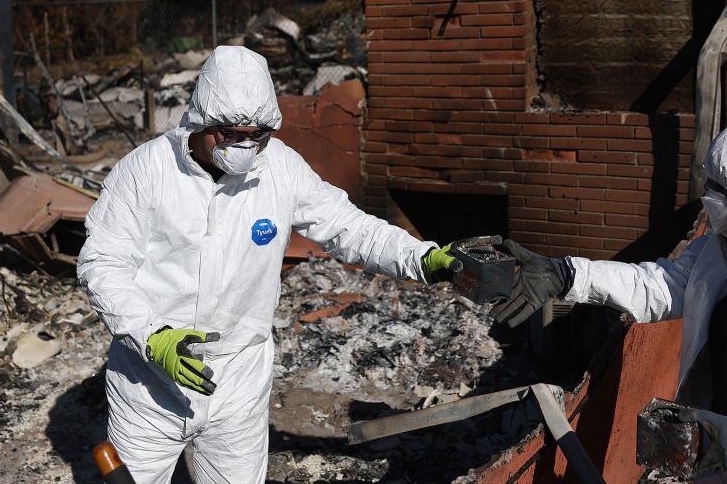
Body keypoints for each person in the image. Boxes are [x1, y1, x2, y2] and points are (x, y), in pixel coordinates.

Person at [76, 45, 457, 484]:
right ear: (202, 120)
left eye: (256, 135)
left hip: (239, 375)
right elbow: (103, 264)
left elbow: (349, 227)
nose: (244, 146)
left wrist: (423, 258)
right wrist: (152, 337)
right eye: (231, 134)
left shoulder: (279, 169)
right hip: (150, 378)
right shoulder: (146, 172)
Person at [493, 108, 727, 481]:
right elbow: (658, 286)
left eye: (722, 203)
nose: (714, 214)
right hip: (723, 463)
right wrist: (568, 274)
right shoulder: (725, 248)